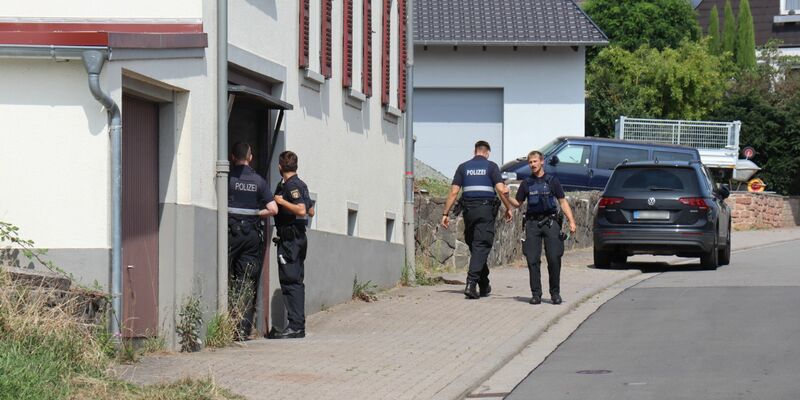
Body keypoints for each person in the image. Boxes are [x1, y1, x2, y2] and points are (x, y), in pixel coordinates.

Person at [441, 140, 512, 299]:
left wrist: (445, 214)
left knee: (476, 246)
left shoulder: (463, 167)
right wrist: (508, 208)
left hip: (468, 212)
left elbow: (453, 193)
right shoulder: (491, 166)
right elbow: (501, 190)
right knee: (481, 245)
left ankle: (484, 283)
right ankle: (471, 284)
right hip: (485, 210)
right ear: (487, 153)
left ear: (475, 151)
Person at [509, 150, 577, 305]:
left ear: (541, 162)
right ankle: (536, 294)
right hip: (532, 224)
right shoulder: (526, 183)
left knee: (554, 258)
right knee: (532, 260)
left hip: (551, 223)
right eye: (530, 162)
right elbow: (517, 204)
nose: (532, 165)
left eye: (535, 161)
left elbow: (562, 202)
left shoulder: (552, 181)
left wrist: (571, 220)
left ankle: (555, 293)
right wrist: (506, 196)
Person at [228, 142, 278, 339]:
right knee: (246, 280)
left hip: (230, 234)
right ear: (250, 157)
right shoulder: (259, 181)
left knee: (224, 275)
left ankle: (225, 322)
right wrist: (257, 214)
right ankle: (242, 330)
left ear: (232, 157)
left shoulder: (228, 178)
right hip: (250, 236)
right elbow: (274, 209)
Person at [267, 151, 312, 339]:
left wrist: (281, 201)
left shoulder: (291, 186)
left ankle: (295, 326)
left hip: (291, 240)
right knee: (295, 280)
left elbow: (302, 210)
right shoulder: (301, 185)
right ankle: (296, 324)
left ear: (279, 167)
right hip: (298, 238)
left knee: (290, 281)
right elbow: (312, 210)